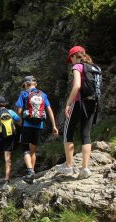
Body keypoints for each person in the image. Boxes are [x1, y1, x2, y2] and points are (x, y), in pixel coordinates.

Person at [57, 46, 98, 179]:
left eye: (71, 58)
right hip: (93, 103)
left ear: (75, 56)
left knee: (67, 133)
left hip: (79, 102)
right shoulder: (95, 68)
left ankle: (69, 167)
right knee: (86, 135)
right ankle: (85, 169)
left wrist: (69, 103)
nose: (71, 62)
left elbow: (77, 86)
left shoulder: (78, 67)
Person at [15, 75, 58, 184]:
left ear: (26, 84)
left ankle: (30, 172)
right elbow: (49, 110)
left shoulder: (24, 94)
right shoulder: (43, 94)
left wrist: (19, 121)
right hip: (39, 125)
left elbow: (19, 110)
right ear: (36, 84)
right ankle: (31, 176)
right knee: (33, 151)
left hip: (27, 125)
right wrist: (54, 125)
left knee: (25, 149)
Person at [0, 96, 21, 189]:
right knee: (8, 158)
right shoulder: (11, 112)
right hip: (9, 137)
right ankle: (7, 180)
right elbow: (20, 122)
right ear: (5, 104)